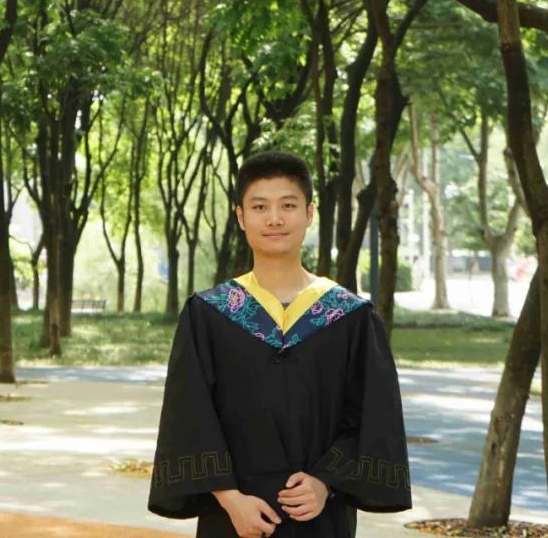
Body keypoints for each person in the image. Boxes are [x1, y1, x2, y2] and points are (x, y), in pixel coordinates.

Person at [147, 150, 411, 538]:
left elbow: (373, 416)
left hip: (320, 518)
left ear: (309, 213)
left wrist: (326, 482)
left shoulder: (349, 316)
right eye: (260, 207)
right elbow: (189, 415)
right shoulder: (209, 314)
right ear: (241, 217)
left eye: (288, 205)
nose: (274, 218)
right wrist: (230, 499)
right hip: (233, 519)